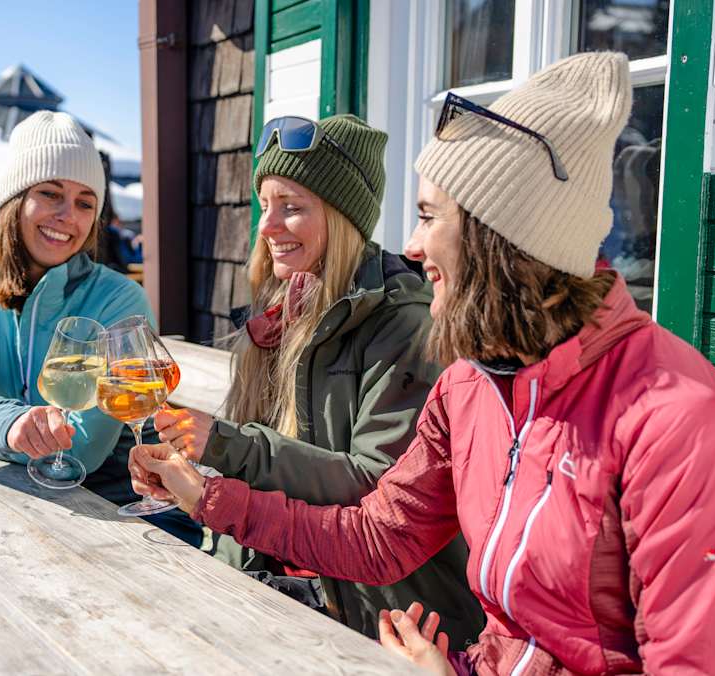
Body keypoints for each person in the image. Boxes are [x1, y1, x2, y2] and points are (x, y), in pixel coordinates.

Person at [132, 53, 715, 675]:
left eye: (430, 217)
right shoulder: (471, 383)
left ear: (501, 238)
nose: (409, 245)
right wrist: (207, 496)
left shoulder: (681, 423)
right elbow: (378, 538)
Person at [136, 114, 483, 642]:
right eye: (265, 205)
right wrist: (185, 480)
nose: (267, 226)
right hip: (270, 576)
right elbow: (253, 469)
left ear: (343, 217)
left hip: (381, 617)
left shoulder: (405, 323)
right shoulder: (283, 308)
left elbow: (377, 490)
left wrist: (224, 446)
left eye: (292, 208)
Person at [0, 110, 198, 544]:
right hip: (24, 509)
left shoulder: (118, 299)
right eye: (51, 193)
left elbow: (82, 449)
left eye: (85, 202)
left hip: (119, 513)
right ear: (14, 201)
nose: (68, 215)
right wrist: (10, 426)